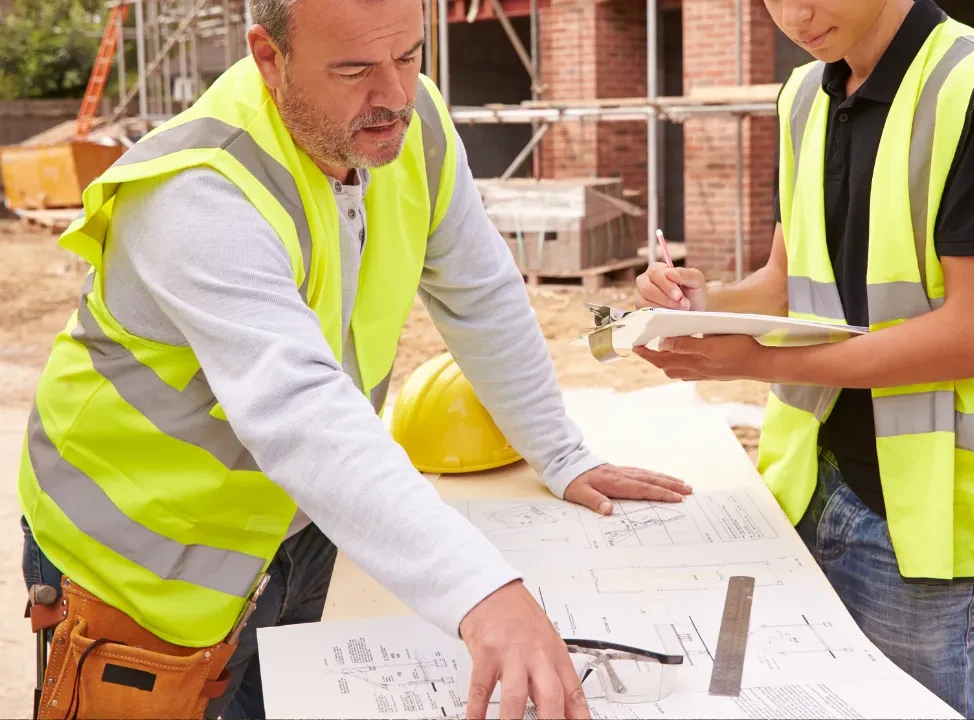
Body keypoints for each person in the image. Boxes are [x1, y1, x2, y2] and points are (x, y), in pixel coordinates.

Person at [17, 0, 692, 718]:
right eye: (355, 69)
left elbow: (481, 292)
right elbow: (301, 411)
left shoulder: (412, 123)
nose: (395, 97)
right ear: (269, 58)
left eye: (408, 55)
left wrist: (561, 454)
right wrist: (482, 592)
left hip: (299, 530)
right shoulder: (198, 189)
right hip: (140, 567)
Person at [632, 0, 974, 717]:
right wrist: (700, 304)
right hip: (809, 483)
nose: (794, 14)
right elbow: (783, 279)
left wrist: (756, 364)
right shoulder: (805, 94)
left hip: (923, 515)